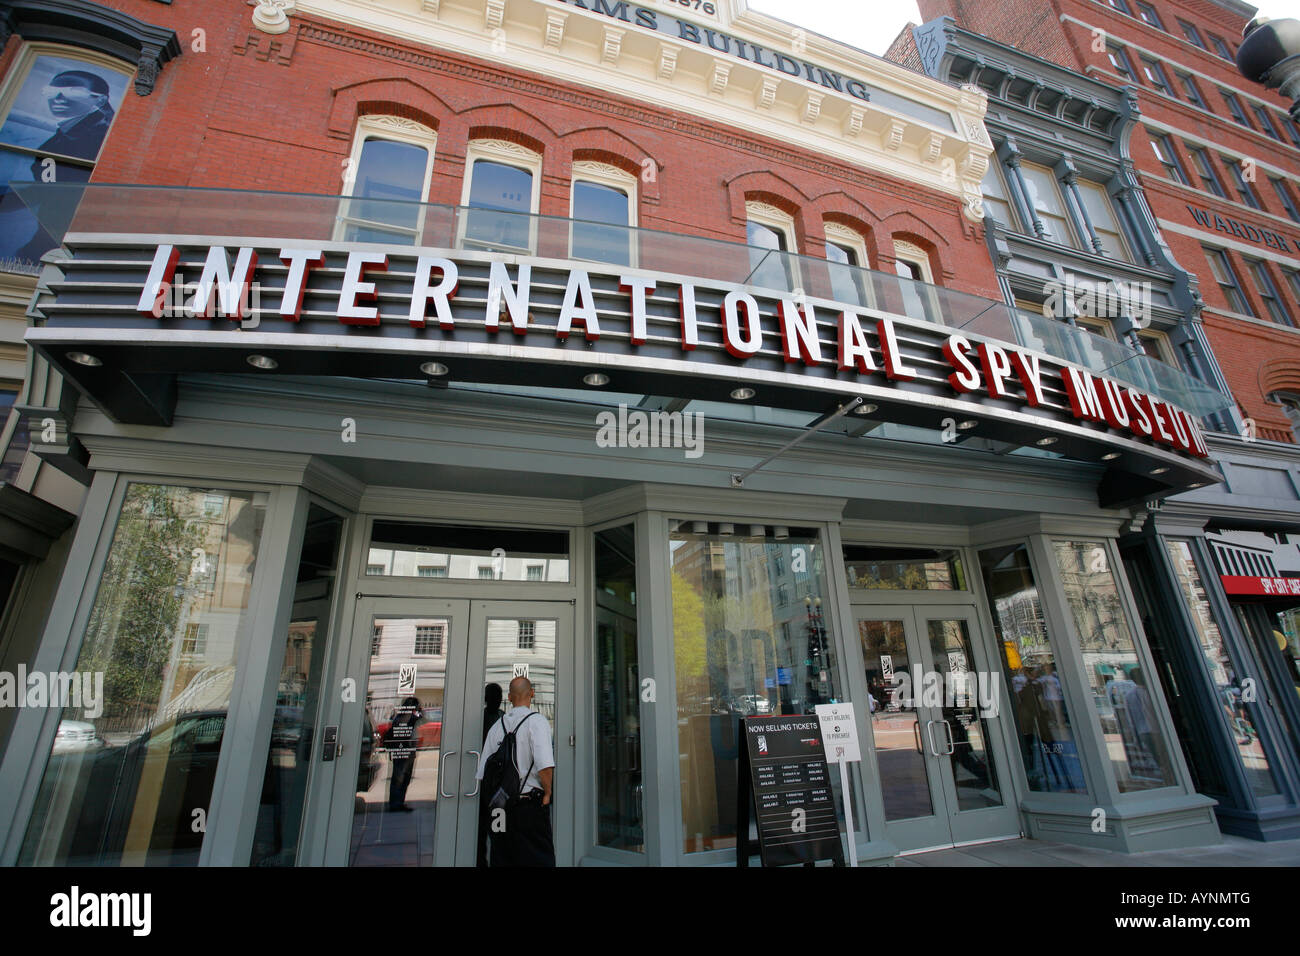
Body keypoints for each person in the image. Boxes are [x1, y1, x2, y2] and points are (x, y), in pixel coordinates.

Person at [475, 676, 555, 867]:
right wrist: (548, 794)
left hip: (499, 808)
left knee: (501, 856)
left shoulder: (497, 726)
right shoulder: (536, 722)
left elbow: (483, 774)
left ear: (509, 697)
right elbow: (544, 766)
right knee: (537, 858)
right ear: (532, 694)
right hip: (527, 805)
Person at [476, 683, 504, 868]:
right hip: (489, 782)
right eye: (493, 696)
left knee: (496, 828)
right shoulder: (486, 718)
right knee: (487, 828)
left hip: (497, 783)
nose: (496, 699)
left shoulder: (503, 718)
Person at [385, 696, 422, 811]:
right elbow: (403, 733)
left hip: (407, 750)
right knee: (400, 777)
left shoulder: (407, 717)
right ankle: (395, 803)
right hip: (403, 750)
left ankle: (399, 802)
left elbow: (423, 719)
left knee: (404, 777)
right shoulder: (403, 718)